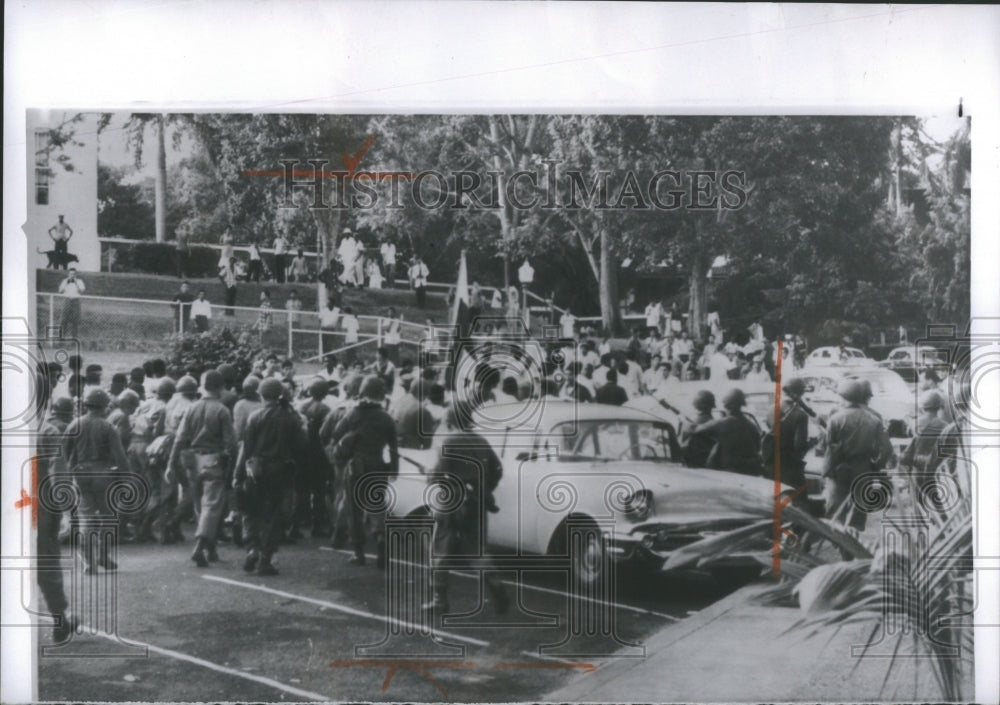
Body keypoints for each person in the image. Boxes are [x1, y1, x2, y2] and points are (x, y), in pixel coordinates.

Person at [422, 401, 509, 615]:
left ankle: (439, 601)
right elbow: (497, 469)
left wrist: (429, 475)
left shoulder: (449, 442)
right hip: (477, 502)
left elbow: (438, 474)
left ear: (451, 421)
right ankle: (496, 584)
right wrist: (485, 488)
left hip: (450, 503)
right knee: (477, 551)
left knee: (440, 551)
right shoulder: (481, 441)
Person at [235, 378, 307, 576]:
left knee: (251, 510)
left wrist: (237, 474)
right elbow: (301, 445)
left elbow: (246, 448)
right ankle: (265, 559)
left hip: (256, 468)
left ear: (261, 394)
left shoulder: (254, 416)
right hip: (280, 470)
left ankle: (252, 548)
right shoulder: (290, 417)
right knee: (274, 515)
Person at [167, 371, 237, 567]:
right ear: (220, 387)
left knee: (200, 507)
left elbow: (180, 439)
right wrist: (233, 465)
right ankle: (200, 545)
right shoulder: (222, 410)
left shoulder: (191, 408)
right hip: (213, 459)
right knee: (212, 506)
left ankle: (210, 547)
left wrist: (171, 464)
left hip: (191, 459)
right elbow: (231, 443)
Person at [329, 376, 399, 567]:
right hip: (378, 465)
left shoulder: (353, 414)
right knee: (377, 506)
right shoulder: (386, 417)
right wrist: (395, 469)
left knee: (354, 510)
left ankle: (359, 553)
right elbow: (394, 446)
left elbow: (335, 433)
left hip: (356, 467)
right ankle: (381, 539)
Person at [62, 388, 130, 574]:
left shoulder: (75, 424)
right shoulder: (108, 427)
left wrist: (69, 470)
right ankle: (102, 554)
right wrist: (127, 478)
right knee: (108, 516)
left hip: (82, 473)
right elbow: (120, 457)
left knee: (85, 516)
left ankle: (88, 561)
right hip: (104, 474)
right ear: (104, 406)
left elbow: (64, 451)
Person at [823, 379, 893, 532]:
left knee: (835, 510)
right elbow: (887, 449)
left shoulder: (835, 418)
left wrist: (827, 471)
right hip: (862, 468)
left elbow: (828, 447)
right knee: (858, 510)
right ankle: (853, 546)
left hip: (838, 469)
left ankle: (840, 543)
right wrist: (876, 466)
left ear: (842, 396)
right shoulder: (874, 419)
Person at [37, 397, 79, 642]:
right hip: (39, 504)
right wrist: (64, 508)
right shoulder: (48, 430)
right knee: (47, 564)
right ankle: (59, 619)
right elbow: (57, 471)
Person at [688, 389, 763, 476]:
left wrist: (685, 421)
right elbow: (757, 446)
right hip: (750, 473)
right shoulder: (752, 426)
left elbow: (695, 430)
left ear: (727, 405)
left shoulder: (723, 423)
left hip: (729, 472)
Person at [295, 379, 333, 539]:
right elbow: (327, 433)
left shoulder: (301, 406)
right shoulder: (325, 409)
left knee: (301, 489)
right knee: (319, 490)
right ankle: (317, 525)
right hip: (318, 452)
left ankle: (295, 524)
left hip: (302, 451)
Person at [765, 378, 812, 498]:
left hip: (772, 465)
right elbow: (799, 445)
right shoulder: (800, 415)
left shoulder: (771, 409)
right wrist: (811, 443)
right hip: (791, 468)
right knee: (799, 502)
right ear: (798, 394)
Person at [58, 268, 85, 339]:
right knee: (64, 319)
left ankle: (74, 337)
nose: (72, 275)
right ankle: (62, 337)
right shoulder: (64, 281)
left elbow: (81, 291)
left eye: (73, 274)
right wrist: (66, 283)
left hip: (76, 301)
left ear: (76, 275)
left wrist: (76, 283)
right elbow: (60, 291)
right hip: (67, 300)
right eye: (70, 274)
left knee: (75, 320)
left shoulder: (79, 281)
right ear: (68, 274)